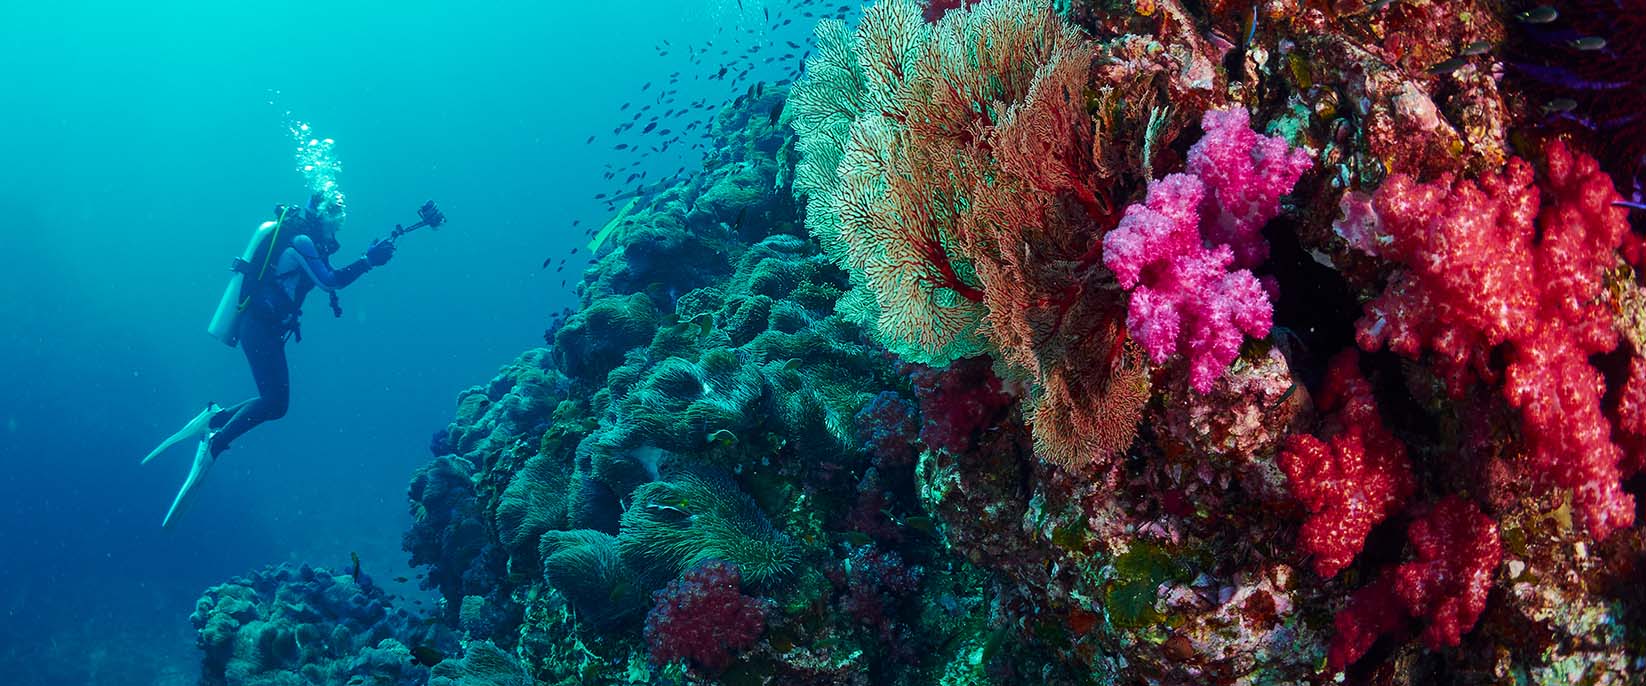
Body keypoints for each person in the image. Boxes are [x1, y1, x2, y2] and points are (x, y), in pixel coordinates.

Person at [143, 195, 397, 527]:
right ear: (320, 215)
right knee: (275, 402)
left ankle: (215, 419)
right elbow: (328, 281)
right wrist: (367, 261)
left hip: (265, 328)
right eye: (334, 219)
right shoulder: (301, 240)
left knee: (276, 403)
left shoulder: (306, 240)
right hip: (259, 327)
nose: (336, 227)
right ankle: (215, 443)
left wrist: (368, 259)